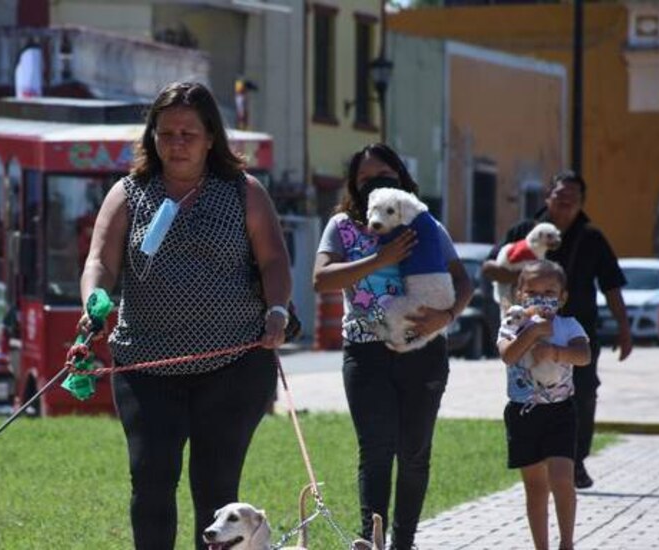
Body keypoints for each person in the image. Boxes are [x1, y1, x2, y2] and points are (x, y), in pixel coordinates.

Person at [79, 81, 291, 550]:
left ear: (211, 137)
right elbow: (100, 262)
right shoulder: (128, 194)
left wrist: (277, 311)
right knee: (151, 481)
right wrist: (94, 302)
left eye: (188, 134)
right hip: (146, 364)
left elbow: (275, 260)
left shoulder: (244, 192)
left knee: (216, 487)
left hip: (234, 364)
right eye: (166, 133)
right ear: (152, 136)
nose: (176, 143)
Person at [312, 143, 473, 549]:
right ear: (354, 185)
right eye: (365, 178)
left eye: (384, 175)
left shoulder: (425, 224)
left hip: (424, 351)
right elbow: (322, 279)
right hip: (365, 353)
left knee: (414, 452)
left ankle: (404, 542)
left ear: (401, 178)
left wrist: (447, 316)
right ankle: (373, 539)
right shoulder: (341, 227)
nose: (374, 183)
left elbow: (464, 281)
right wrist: (379, 260)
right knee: (376, 450)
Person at [482, 170, 631, 489]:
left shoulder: (592, 237)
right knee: (529, 390)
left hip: (577, 329)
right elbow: (489, 267)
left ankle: (575, 460)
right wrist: (524, 280)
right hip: (526, 328)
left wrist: (624, 327)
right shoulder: (525, 231)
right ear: (548, 196)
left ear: (582, 202)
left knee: (584, 392)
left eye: (573, 197)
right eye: (560, 195)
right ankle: (536, 459)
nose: (566, 202)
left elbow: (612, 285)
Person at [497, 260, 591, 550]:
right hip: (523, 414)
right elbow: (508, 355)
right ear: (520, 295)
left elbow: (584, 355)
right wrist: (533, 331)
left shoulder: (569, 325)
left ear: (562, 297)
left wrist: (554, 351)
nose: (541, 298)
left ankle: (567, 543)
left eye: (549, 292)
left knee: (562, 479)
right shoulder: (512, 324)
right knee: (536, 488)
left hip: (560, 413)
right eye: (533, 292)